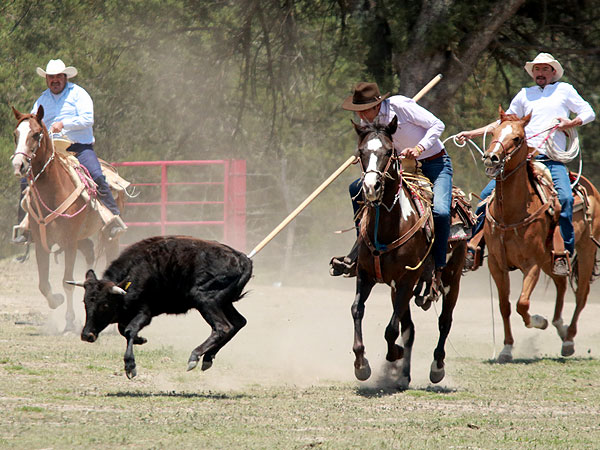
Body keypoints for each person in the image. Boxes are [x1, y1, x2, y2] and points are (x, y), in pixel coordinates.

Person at [457, 53, 595, 276]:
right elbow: (505, 123)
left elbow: (589, 112)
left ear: (553, 72)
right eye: (536, 69)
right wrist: (473, 133)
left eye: (544, 69)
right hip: (523, 160)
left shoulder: (565, 90)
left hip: (552, 159)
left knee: (566, 199)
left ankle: (564, 254)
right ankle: (474, 247)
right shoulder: (524, 95)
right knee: (485, 197)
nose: (539, 73)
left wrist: (571, 122)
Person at [330, 82, 453, 294]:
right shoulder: (367, 120)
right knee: (356, 189)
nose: (361, 116)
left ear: (376, 105)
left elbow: (437, 125)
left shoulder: (401, 106)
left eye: (363, 110)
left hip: (434, 163)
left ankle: (438, 263)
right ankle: (362, 247)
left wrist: (419, 147)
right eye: (357, 111)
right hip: (401, 168)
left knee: (441, 211)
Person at [13, 59, 126, 244]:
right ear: (47, 79)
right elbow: (34, 123)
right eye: (51, 77)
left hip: (78, 148)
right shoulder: (42, 100)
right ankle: (24, 228)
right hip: (51, 151)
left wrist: (64, 124)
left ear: (65, 77)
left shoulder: (79, 94)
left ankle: (113, 218)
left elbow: (87, 119)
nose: (54, 80)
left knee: (96, 174)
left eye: (58, 76)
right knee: (27, 180)